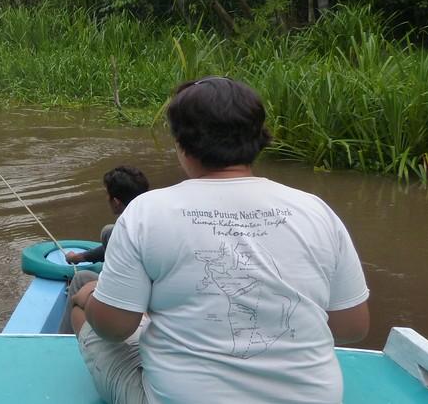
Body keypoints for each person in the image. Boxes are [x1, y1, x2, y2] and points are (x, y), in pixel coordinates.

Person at [69, 77, 369, 404]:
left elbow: (115, 328)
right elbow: (352, 326)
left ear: (182, 144)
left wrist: (88, 298)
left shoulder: (146, 211)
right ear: (258, 138)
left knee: (82, 293)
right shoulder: (316, 210)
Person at [57, 166, 150, 334]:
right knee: (106, 234)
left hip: (133, 303)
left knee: (81, 280)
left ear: (116, 202)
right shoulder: (150, 219)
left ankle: (62, 339)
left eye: (107, 195)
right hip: (146, 292)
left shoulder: (123, 230)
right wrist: (81, 257)